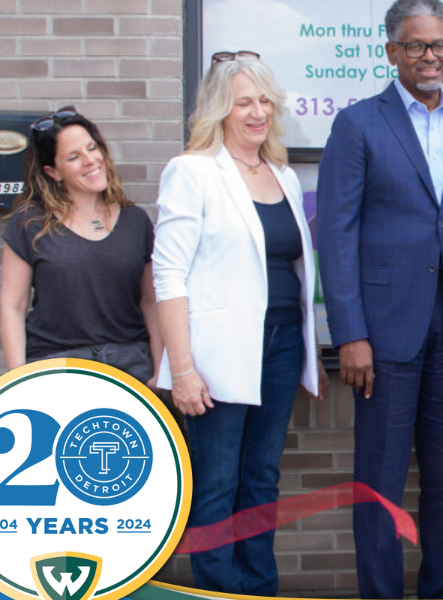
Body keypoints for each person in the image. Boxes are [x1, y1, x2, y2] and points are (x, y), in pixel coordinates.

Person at [315, 1, 443, 597]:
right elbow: (335, 235)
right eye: (416, 46)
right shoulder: (359, 123)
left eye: (439, 45)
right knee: (381, 482)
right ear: (391, 52)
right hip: (384, 335)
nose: (430, 56)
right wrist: (350, 334)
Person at [152, 51, 327, 596]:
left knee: (260, 480)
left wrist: (310, 352)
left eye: (263, 100)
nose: (257, 111)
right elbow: (169, 274)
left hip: (277, 350)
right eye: (242, 102)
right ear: (220, 111)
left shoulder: (283, 176)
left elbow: (296, 271)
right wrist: (182, 368)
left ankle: (258, 588)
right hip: (214, 356)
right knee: (216, 485)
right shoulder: (193, 171)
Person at [0, 107, 162, 384]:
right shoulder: (30, 224)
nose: (90, 160)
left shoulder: (136, 221)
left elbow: (150, 302)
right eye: (74, 157)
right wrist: (18, 380)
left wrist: (160, 370)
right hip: (57, 366)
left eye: (92, 148)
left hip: (131, 365)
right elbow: (13, 306)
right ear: (53, 172)